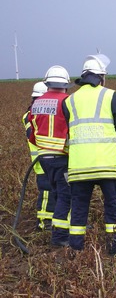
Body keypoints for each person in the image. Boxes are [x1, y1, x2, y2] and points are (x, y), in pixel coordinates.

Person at [64, 54, 116, 255]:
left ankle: (76, 248)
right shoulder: (110, 95)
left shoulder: (69, 101)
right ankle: (114, 246)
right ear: (101, 77)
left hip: (79, 166)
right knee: (112, 206)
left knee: (79, 209)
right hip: (107, 163)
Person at [28, 66, 72, 246]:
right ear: (66, 84)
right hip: (63, 157)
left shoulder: (36, 103)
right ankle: (60, 237)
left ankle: (62, 228)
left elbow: (32, 133)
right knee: (66, 195)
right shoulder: (69, 101)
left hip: (44, 158)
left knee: (56, 193)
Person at [23, 81, 55, 231]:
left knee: (55, 191)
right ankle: (43, 222)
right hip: (41, 162)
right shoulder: (29, 116)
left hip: (50, 160)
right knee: (47, 191)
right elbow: (32, 135)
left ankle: (53, 220)